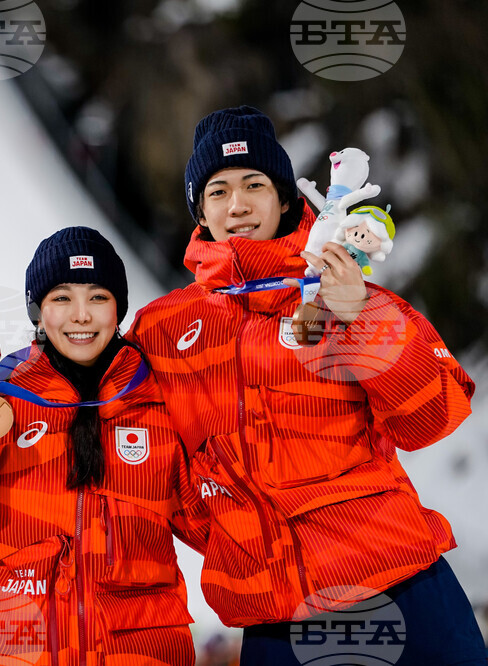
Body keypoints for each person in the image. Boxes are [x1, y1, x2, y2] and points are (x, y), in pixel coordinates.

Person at [128, 106, 485, 665]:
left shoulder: (342, 288)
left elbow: (433, 416)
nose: (237, 204)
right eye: (218, 191)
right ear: (200, 210)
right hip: (276, 617)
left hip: (401, 586)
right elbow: (152, 471)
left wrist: (361, 315)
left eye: (254, 184)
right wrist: (231, 531)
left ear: (284, 197)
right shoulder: (161, 330)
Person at [0, 227, 208, 666]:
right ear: (38, 311)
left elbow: (208, 522)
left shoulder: (156, 398)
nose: (82, 315)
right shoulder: (0, 400)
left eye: (98, 297)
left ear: (119, 308)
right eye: (62, 298)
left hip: (139, 651)